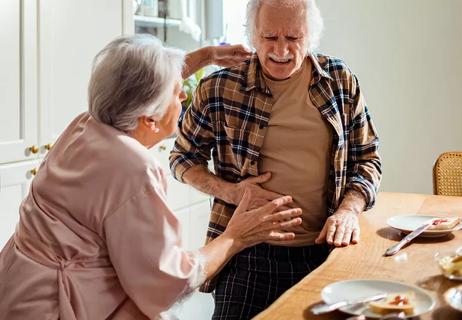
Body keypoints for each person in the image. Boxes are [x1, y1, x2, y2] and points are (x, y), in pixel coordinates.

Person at [0, 34, 305, 320]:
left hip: (15, 285)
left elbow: (130, 82)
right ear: (150, 118)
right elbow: (169, 280)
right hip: (52, 308)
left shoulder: (85, 125)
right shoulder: (133, 168)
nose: (183, 95)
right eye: (176, 92)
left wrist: (208, 55)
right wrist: (235, 236)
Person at [170, 0, 382, 318]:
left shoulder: (339, 81)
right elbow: (181, 159)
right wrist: (231, 191)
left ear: (310, 37)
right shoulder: (219, 88)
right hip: (248, 252)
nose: (280, 49)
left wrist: (348, 211)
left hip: (326, 248)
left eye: (293, 38)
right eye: (270, 37)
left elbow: (368, 159)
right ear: (253, 36)